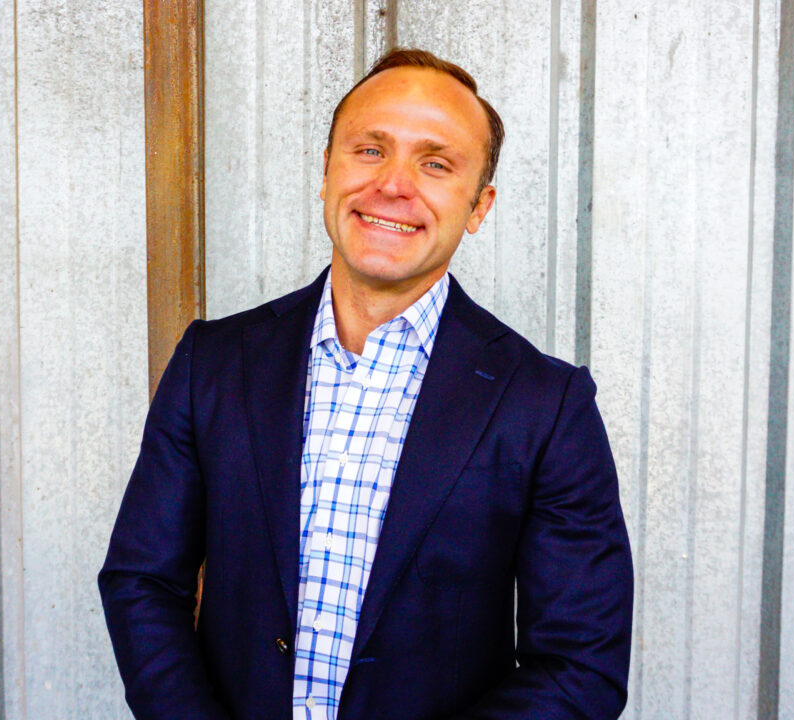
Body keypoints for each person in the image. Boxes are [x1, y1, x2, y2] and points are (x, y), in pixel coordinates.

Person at [99, 47, 633, 720]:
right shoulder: (215, 362)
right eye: (369, 150)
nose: (394, 185)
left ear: (478, 206)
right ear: (326, 172)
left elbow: (579, 668)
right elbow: (142, 582)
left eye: (436, 163)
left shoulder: (546, 407)